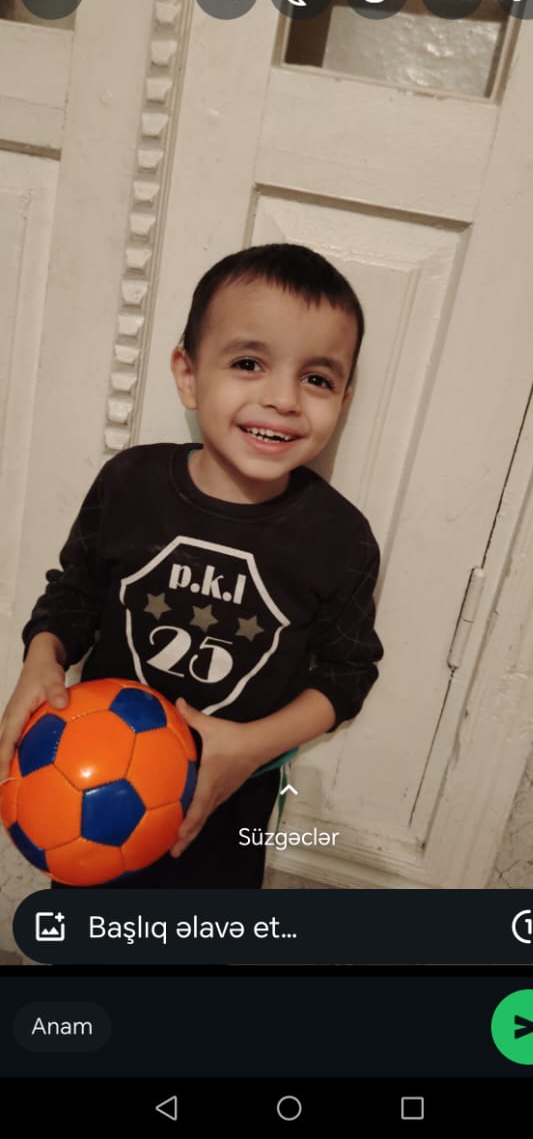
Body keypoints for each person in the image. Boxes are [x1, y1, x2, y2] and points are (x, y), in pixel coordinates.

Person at [0, 244, 383, 888]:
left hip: (230, 801)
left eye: (317, 379)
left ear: (343, 397)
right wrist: (42, 659)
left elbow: (348, 675)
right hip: (94, 787)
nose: (283, 399)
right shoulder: (131, 483)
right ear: (187, 373)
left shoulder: (340, 538)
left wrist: (254, 745)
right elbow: (75, 592)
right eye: (248, 363)